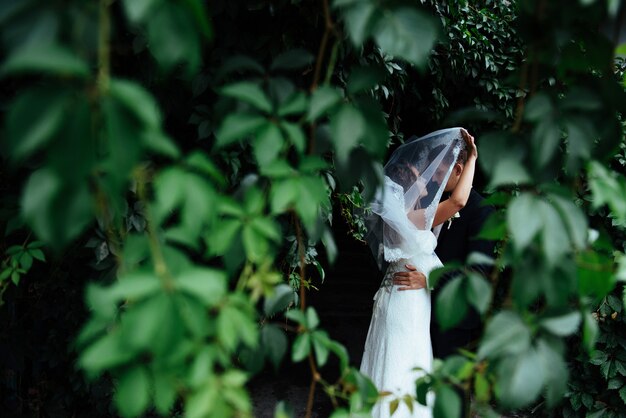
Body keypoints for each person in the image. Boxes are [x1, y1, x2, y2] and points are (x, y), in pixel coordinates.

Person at [360, 128, 477, 418]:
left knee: (392, 366)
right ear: (408, 181)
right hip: (406, 303)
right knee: (402, 370)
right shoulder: (411, 219)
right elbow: (459, 201)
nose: (428, 174)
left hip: (398, 295)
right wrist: (473, 157)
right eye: (420, 171)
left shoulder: (405, 218)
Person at [391, 131, 495, 416]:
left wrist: (430, 280)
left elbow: (477, 275)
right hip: (417, 315)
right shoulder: (431, 205)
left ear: (458, 170)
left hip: (453, 320)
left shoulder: (481, 212)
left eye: (438, 171)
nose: (433, 178)